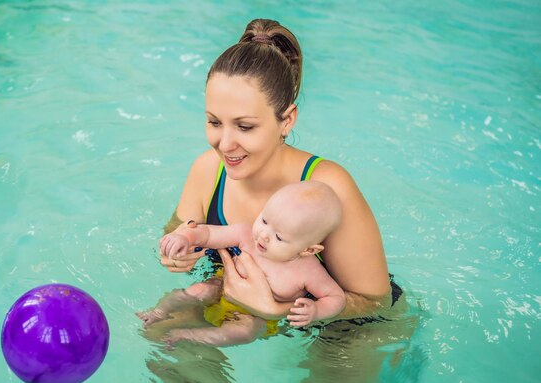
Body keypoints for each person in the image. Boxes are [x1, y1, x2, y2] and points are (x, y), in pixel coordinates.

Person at [160, 18, 394, 323]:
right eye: (214, 122)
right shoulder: (208, 170)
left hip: (338, 332)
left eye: (245, 126)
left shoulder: (327, 188)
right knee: (162, 336)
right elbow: (176, 231)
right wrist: (175, 252)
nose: (225, 143)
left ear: (287, 120)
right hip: (229, 298)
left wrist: (276, 310)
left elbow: (377, 304)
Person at [138, 181, 346, 346]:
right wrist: (185, 238)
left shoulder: (308, 271)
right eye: (264, 221)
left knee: (244, 332)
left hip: (254, 316)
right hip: (220, 288)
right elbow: (208, 233)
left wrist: (316, 311)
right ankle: (158, 312)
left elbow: (335, 297)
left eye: (279, 237)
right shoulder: (246, 235)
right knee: (198, 290)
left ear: (308, 249)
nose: (263, 236)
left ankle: (187, 336)